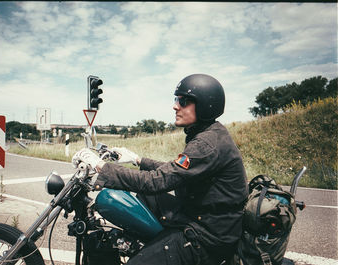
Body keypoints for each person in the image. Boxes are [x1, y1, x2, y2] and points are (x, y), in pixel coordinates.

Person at [72, 74, 248, 265]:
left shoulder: (206, 144)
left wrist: (101, 166)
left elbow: (156, 181)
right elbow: (175, 171)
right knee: (144, 197)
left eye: (183, 101)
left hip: (208, 235)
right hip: (200, 215)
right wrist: (137, 160)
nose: (175, 106)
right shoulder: (208, 133)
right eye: (176, 99)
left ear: (205, 105)